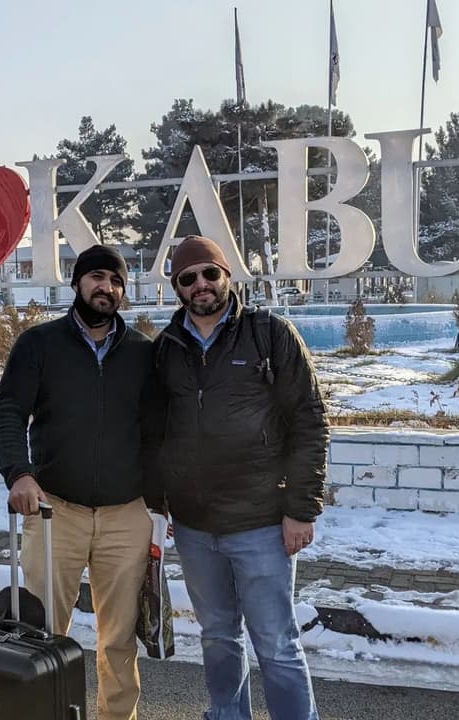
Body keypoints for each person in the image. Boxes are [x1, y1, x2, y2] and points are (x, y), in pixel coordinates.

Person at [148, 235, 328, 720]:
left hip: (262, 523)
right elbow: (155, 431)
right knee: (217, 636)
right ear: (177, 288)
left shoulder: (269, 334)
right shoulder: (166, 348)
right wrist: (158, 502)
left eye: (210, 273)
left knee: (276, 642)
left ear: (228, 276)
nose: (201, 284)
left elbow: (309, 421)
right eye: (188, 278)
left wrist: (301, 508)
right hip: (195, 528)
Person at [0, 244, 156, 720]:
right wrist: (19, 473)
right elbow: (9, 413)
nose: (107, 287)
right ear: (77, 282)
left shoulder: (143, 353)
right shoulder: (38, 344)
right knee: (41, 635)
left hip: (127, 514)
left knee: (120, 639)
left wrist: (165, 500)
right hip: (54, 509)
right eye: (98, 277)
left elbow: (160, 431)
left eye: (117, 281)